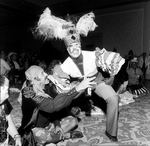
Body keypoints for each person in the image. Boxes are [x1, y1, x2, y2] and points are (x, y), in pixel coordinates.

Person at [34, 8, 125, 142]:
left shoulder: (93, 55)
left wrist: (110, 70)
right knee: (63, 98)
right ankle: (66, 118)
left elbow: (111, 61)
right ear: (67, 49)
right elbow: (62, 88)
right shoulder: (64, 66)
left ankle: (111, 132)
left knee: (113, 98)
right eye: (71, 47)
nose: (74, 49)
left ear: (80, 45)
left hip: (96, 82)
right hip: (79, 85)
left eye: (76, 45)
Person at [18, 65, 96, 145]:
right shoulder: (29, 93)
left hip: (49, 124)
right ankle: (63, 136)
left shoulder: (45, 87)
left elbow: (54, 108)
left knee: (73, 121)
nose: (46, 74)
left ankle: (53, 137)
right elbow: (52, 107)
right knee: (42, 135)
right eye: (42, 73)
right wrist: (77, 88)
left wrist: (57, 124)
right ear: (35, 79)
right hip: (35, 129)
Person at [0, 74, 22, 146]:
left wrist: (16, 136)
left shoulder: (4, 103)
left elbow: (8, 120)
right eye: (6, 89)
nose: (8, 94)